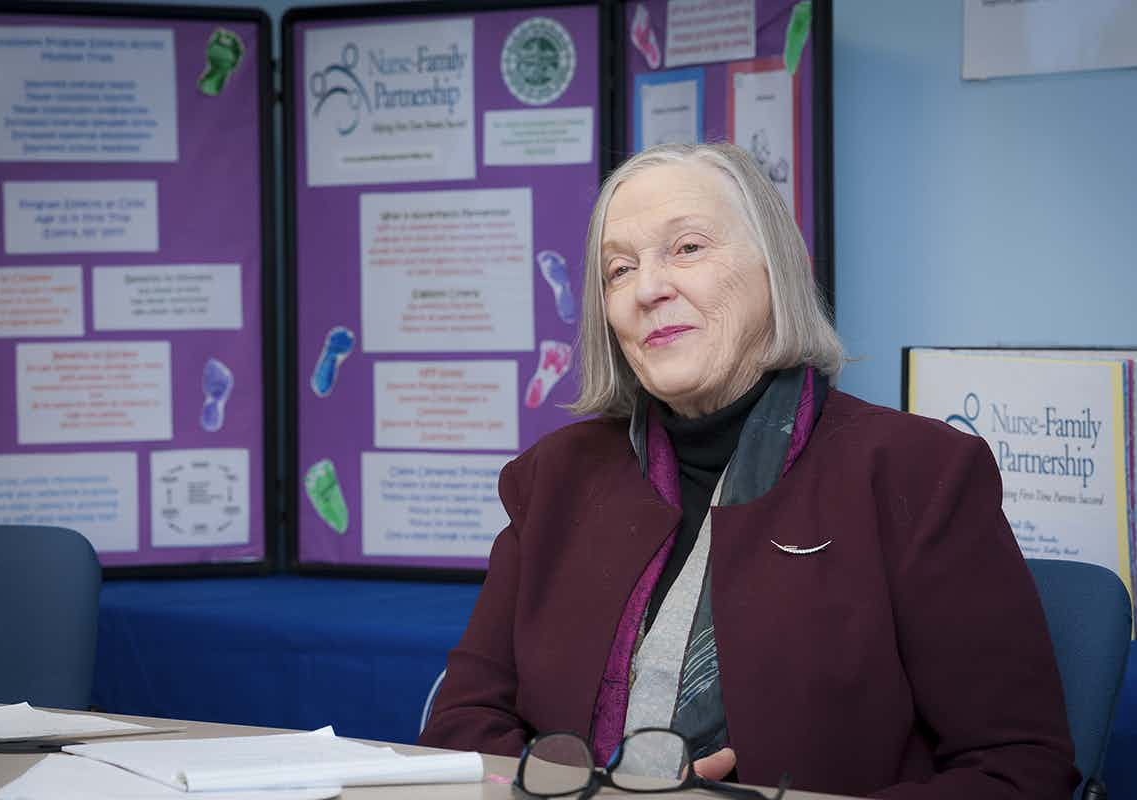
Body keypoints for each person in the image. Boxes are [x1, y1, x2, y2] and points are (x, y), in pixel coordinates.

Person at [418, 142, 1079, 799]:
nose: (648, 288)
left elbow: (1017, 772)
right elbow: (462, 724)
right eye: (618, 270)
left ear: (775, 267)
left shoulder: (920, 474)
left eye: (688, 249)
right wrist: (598, 793)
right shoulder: (552, 480)